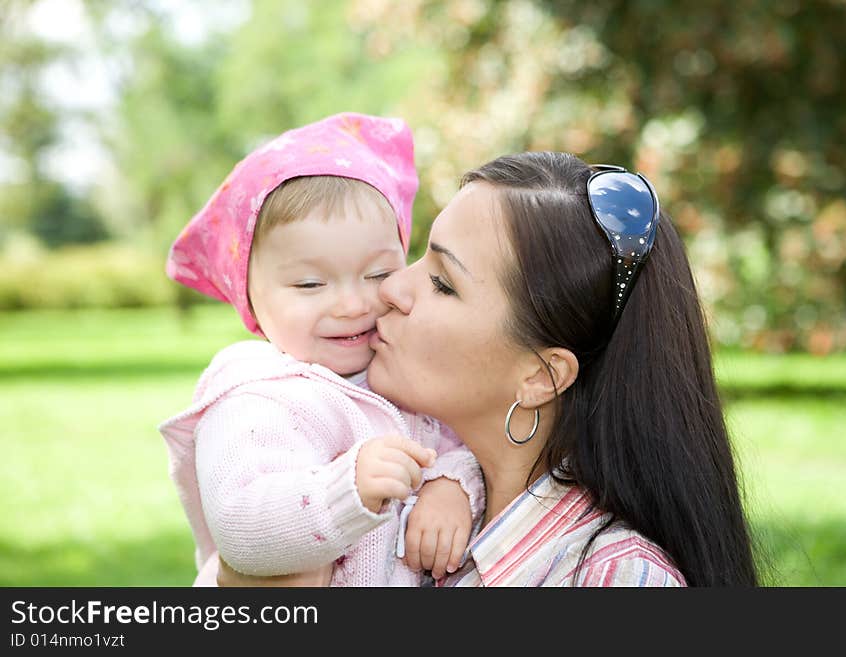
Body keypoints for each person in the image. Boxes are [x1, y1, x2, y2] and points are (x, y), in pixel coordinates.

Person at [221, 150, 759, 587]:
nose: (389, 288)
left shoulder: (611, 578)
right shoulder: (405, 500)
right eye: (419, 257)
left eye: (442, 282)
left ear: (540, 377)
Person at [158, 112, 484, 587]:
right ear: (249, 298)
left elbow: (466, 442)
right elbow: (240, 525)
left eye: (377, 275)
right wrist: (347, 491)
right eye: (310, 283)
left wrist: (452, 485)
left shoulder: (404, 364)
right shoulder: (258, 398)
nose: (353, 305)